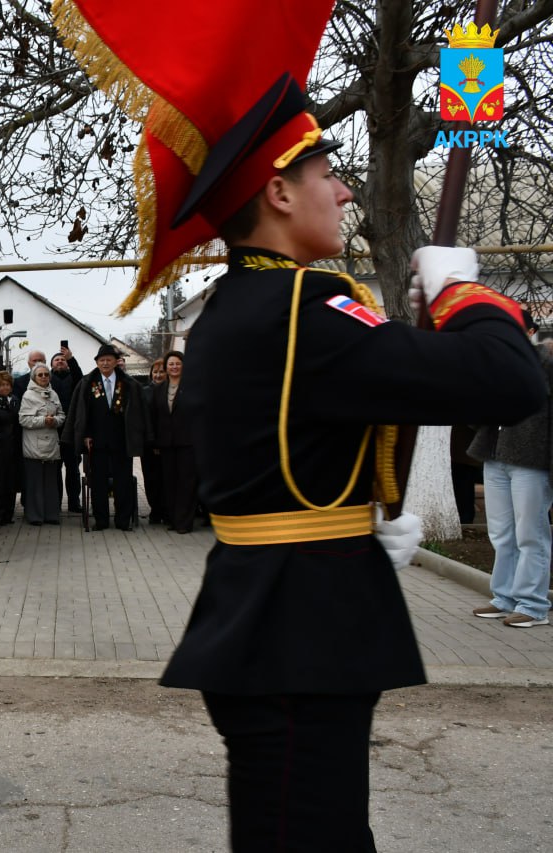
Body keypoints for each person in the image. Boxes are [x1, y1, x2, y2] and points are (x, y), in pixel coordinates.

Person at [145, 76, 544, 851]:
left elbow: (320, 428)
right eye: (327, 174)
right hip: (299, 627)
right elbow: (513, 379)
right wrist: (462, 293)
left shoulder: (240, 307)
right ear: (280, 194)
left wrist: (355, 528)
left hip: (279, 607)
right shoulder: (304, 308)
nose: (347, 190)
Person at [468, 330, 553, 629]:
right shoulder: (499, 365)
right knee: (502, 533)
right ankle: (503, 598)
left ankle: (533, 604)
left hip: (532, 460)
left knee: (531, 533)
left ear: (530, 333)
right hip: (495, 456)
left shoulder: (544, 363)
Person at [65, 344, 146, 531]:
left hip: (122, 441)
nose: (105, 363)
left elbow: (137, 413)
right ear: (97, 363)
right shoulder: (88, 383)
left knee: (123, 481)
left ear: (116, 362)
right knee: (98, 483)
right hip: (96, 442)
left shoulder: (128, 384)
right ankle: (100, 520)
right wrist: (84, 435)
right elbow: (81, 412)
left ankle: (123, 520)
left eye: (109, 359)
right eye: (102, 360)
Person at [151, 349, 198, 533]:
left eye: (178, 363)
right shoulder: (159, 389)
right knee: (170, 482)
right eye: (171, 364)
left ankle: (185, 522)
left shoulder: (192, 386)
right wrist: (155, 442)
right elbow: (155, 417)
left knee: (187, 483)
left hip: (188, 443)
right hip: (166, 444)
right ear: (166, 367)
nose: (174, 367)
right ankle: (173, 519)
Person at [18, 363, 65, 525]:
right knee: (35, 482)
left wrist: (55, 421)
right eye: (40, 375)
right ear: (34, 377)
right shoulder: (28, 395)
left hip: (51, 444)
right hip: (34, 445)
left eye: (46, 374)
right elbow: (23, 419)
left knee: (51, 482)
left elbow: (61, 415)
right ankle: (35, 516)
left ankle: (51, 515)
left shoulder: (54, 394)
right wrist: (43, 420)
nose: (44, 377)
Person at [49, 346, 85, 512]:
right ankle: (55, 503)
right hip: (53, 432)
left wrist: (71, 358)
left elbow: (79, 375)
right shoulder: (47, 379)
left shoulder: (75, 378)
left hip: (71, 432)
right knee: (55, 470)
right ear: (52, 365)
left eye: (63, 360)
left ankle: (74, 502)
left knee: (73, 470)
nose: (60, 361)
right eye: (57, 360)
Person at [0, 371, 21, 525]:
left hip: (12, 446)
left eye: (7, 385)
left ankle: (8, 514)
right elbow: (3, 417)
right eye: (2, 385)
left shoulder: (15, 400)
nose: (5, 387)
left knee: (11, 481)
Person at [139, 358, 168, 524]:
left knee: (166, 479)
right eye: (155, 372)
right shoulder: (145, 392)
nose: (158, 375)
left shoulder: (171, 391)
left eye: (161, 372)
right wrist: (152, 442)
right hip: (149, 444)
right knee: (150, 479)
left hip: (167, 443)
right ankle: (155, 510)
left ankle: (166, 510)